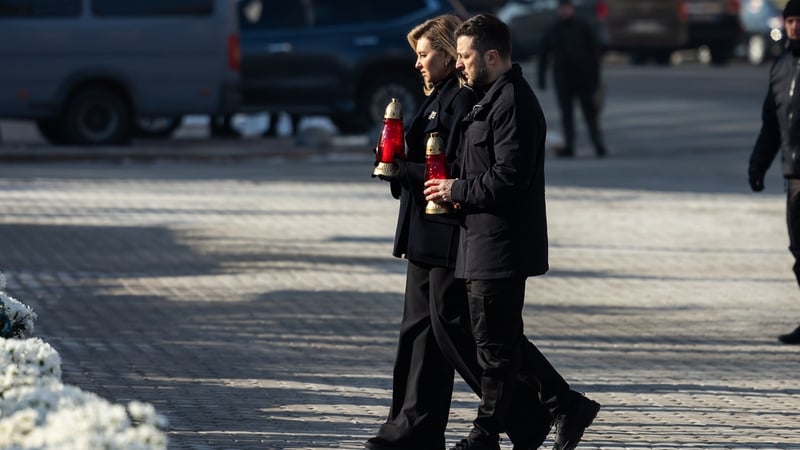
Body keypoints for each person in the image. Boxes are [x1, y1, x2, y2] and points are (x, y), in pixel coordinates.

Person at [367, 14, 552, 450]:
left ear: (453, 56)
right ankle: (412, 426)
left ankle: (532, 411)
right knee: (426, 334)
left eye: (425, 54)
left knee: (469, 336)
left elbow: (463, 168)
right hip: (426, 232)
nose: (417, 64)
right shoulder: (441, 97)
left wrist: (403, 169)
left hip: (450, 232)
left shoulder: (468, 99)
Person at [424, 14, 600, 450]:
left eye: (465, 56)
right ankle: (565, 405)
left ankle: (487, 434)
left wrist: (455, 189)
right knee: (500, 342)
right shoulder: (488, 98)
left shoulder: (514, 102)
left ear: (492, 55)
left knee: (496, 350)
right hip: (479, 241)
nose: (459, 64)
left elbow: (508, 179)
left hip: (501, 244)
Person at [748, 0, 800, 345]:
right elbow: (772, 123)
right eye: (791, 20)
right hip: (794, 174)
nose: (796, 26)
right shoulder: (781, 65)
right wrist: (758, 163)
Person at [537, 0, 607, 158]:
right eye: (562, 9)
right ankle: (570, 146)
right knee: (566, 115)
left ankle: (598, 145)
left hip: (583, 78)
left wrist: (595, 79)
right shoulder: (554, 29)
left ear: (572, 9)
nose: (564, 12)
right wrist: (541, 79)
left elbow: (595, 53)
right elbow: (543, 54)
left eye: (566, 8)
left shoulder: (583, 26)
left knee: (590, 113)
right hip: (563, 78)